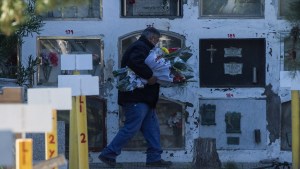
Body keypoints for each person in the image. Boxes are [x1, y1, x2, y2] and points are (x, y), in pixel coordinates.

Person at [98, 27, 172, 167]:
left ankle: (154, 158)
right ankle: (108, 154)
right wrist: (149, 76)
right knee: (131, 127)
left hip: (145, 97)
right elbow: (135, 62)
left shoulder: (144, 47)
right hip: (136, 97)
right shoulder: (140, 47)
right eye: (156, 40)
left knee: (152, 128)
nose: (156, 43)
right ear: (151, 38)